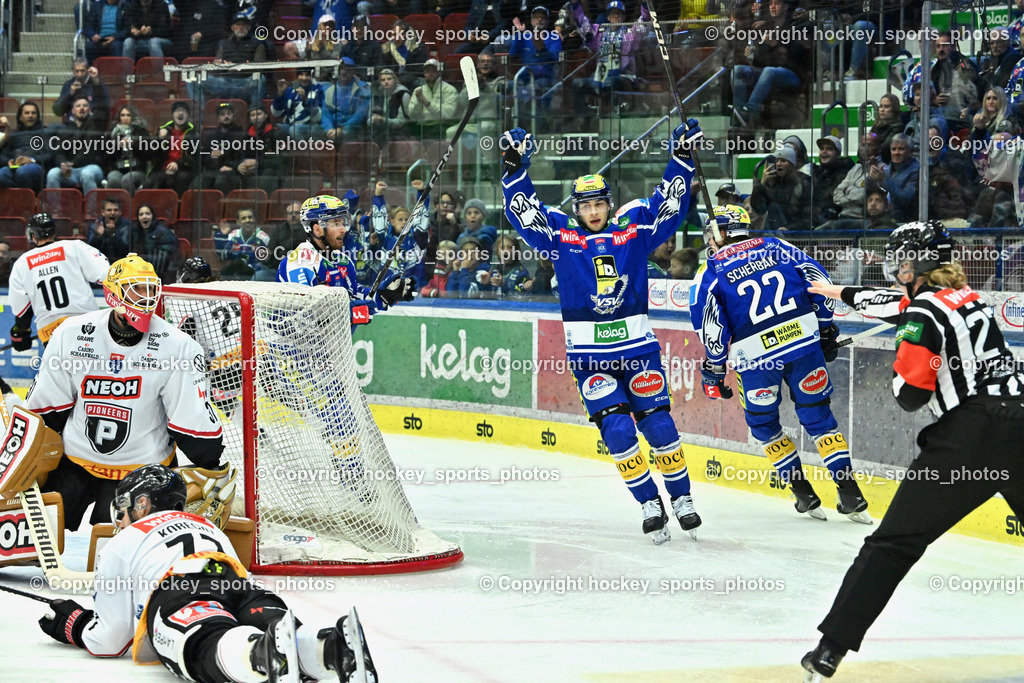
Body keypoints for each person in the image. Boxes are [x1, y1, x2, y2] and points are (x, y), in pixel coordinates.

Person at [801, 220, 1024, 680]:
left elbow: (911, 396)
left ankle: (830, 648)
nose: (895, 266)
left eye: (901, 259)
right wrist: (835, 291)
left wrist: (897, 363)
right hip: (1020, 423)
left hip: (969, 439)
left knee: (894, 544)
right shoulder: (968, 297)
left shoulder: (921, 316)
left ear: (916, 264)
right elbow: (895, 306)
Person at [501, 119, 704, 543]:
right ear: (576, 208)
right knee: (617, 431)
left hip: (639, 352)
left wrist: (681, 160)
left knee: (660, 427)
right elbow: (524, 212)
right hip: (590, 358)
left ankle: (682, 498)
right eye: (585, 205)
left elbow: (668, 206)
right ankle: (650, 502)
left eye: (598, 204)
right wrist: (515, 169)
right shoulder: (560, 234)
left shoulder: (632, 227)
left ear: (608, 204)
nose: (592, 212)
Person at [36, 463, 376, 682]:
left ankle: (261, 655)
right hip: (239, 586)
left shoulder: (123, 543)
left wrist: (75, 623)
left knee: (203, 647)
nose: (119, 522)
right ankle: (331, 647)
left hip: (179, 591)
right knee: (282, 632)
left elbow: (110, 640)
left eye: (123, 512)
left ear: (143, 504)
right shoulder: (210, 527)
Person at [690, 205, 870, 522]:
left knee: (764, 426)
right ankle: (851, 494)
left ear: (717, 234)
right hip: (803, 346)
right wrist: (826, 329)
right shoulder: (776, 246)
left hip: (757, 359)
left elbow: (712, 327)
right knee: (819, 418)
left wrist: (715, 369)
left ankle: (803, 494)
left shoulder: (711, 271)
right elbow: (820, 283)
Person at [25, 254, 229, 530]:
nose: (146, 297)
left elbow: (190, 417)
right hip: (74, 461)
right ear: (112, 295)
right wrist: (27, 457)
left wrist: (211, 462)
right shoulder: (71, 333)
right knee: (39, 539)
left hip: (142, 473)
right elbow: (46, 406)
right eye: (136, 289)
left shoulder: (177, 346)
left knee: (116, 553)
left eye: (150, 289)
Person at [278, 195, 415, 327]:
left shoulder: (343, 261)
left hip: (331, 349)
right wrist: (350, 313)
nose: (344, 229)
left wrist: (385, 294)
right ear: (317, 229)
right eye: (336, 224)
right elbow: (299, 321)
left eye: (343, 223)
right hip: (292, 350)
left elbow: (356, 296)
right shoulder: (298, 264)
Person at [8, 213, 110, 350]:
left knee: (61, 370)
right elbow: (105, 274)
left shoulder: (21, 263)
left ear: (32, 236)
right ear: (53, 232)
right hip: (87, 324)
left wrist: (20, 333)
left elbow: (22, 311)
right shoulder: (74, 247)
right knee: (91, 370)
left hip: (51, 333)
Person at [0, 101, 49, 191]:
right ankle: (22, 198)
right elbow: (2, 155)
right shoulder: (13, 134)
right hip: (15, 167)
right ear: (21, 117)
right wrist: (9, 161)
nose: (30, 116)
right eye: (27, 113)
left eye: (33, 113)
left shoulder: (44, 133)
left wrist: (31, 160)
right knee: (1, 174)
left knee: (22, 172)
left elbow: (50, 155)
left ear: (38, 117)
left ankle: (27, 200)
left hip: (36, 166)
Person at [106, 104, 151, 194]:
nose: (125, 118)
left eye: (128, 115)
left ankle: (130, 206)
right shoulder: (113, 132)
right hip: (119, 169)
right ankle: (114, 206)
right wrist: (117, 146)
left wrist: (133, 144)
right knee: (113, 179)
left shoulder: (141, 131)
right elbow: (107, 156)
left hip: (138, 169)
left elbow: (148, 153)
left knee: (127, 180)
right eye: (122, 115)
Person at [128, 203, 180, 281]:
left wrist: (140, 258)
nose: (144, 216)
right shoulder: (136, 233)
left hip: (160, 277)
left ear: (153, 216)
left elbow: (164, 258)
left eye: (147, 214)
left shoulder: (163, 232)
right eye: (141, 214)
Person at [87, 197, 132, 262]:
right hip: (99, 262)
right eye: (109, 210)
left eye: (115, 210)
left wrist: (113, 235)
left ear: (120, 212)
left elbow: (126, 250)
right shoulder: (95, 225)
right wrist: (98, 236)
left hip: (121, 263)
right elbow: (89, 250)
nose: (112, 213)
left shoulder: (126, 226)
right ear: (103, 212)